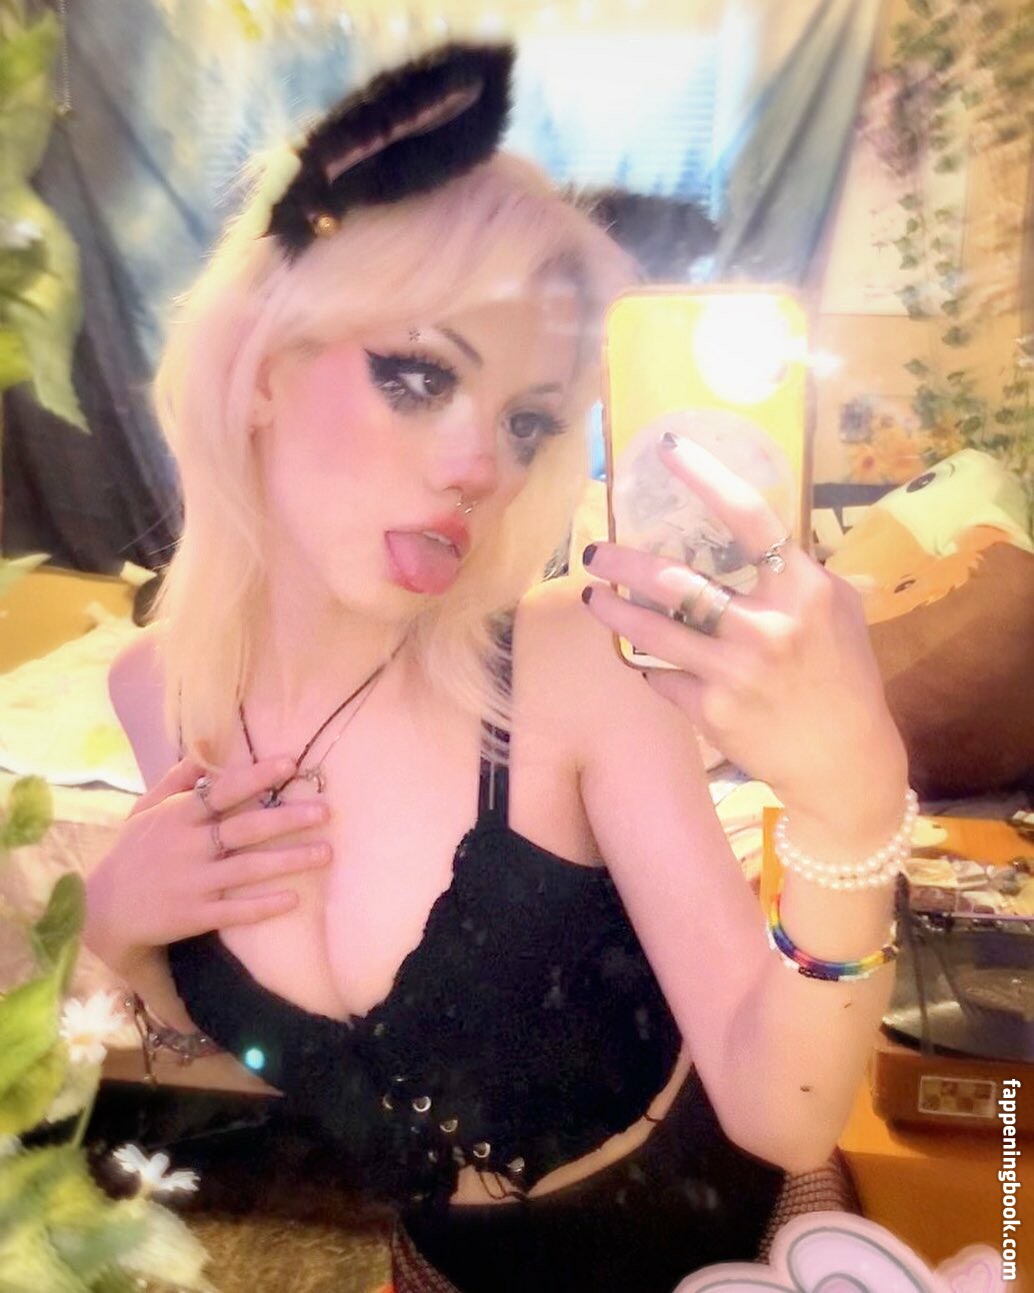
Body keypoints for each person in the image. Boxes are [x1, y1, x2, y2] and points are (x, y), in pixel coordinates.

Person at [84, 43, 912, 1293]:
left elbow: (779, 1113)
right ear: (258, 370)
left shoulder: (570, 664)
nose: (482, 466)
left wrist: (848, 811)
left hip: (723, 1257)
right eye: (419, 376)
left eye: (528, 421)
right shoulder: (154, 691)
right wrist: (118, 936)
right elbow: (240, 1042)